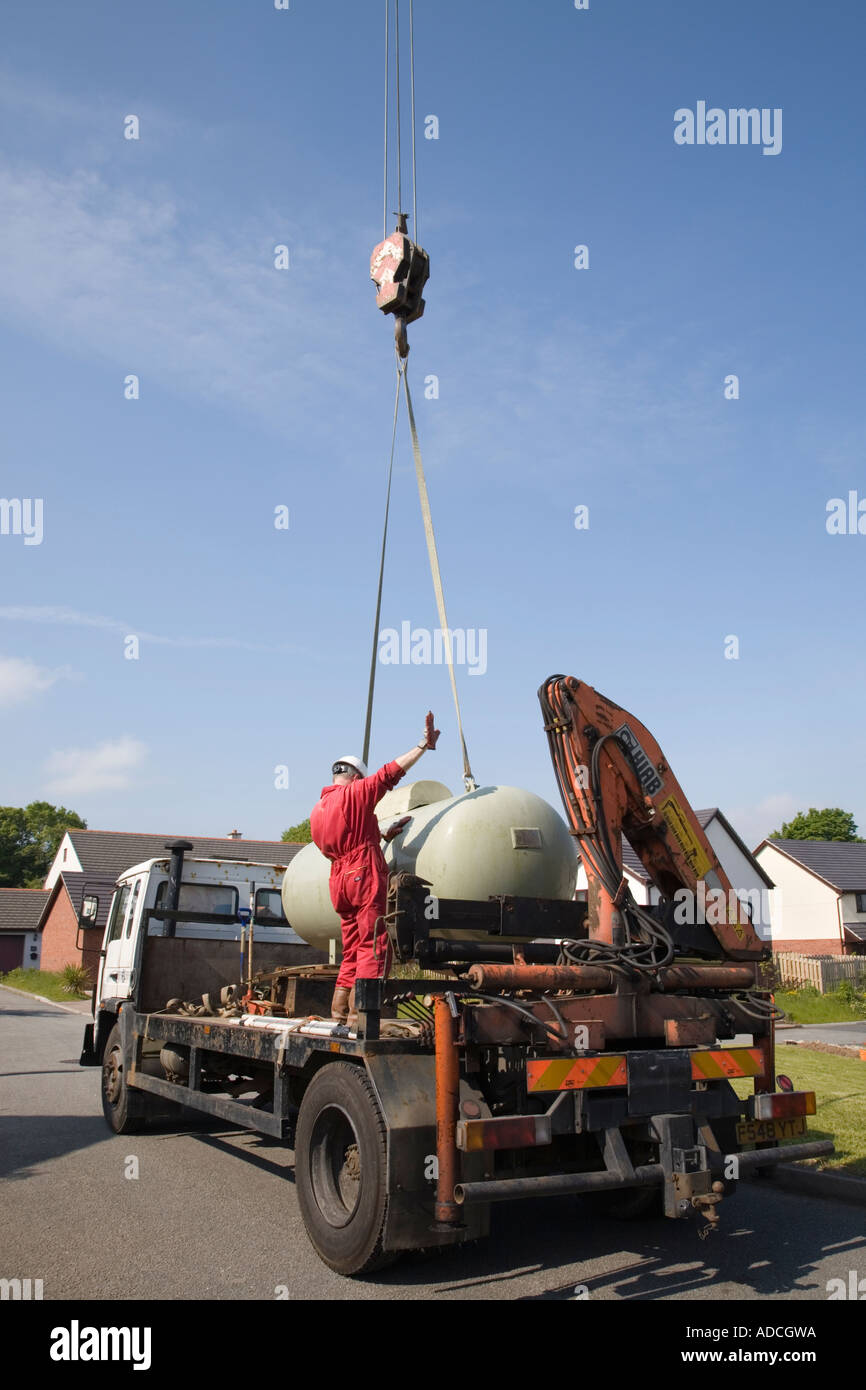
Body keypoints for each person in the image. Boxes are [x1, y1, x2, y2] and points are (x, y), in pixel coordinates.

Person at [310, 711, 440, 1023]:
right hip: (362, 874)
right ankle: (361, 1013)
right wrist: (423, 745)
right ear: (356, 777)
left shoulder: (318, 810)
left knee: (352, 946)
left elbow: (344, 839)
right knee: (375, 942)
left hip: (338, 881)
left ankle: (340, 1009)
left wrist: (382, 834)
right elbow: (389, 773)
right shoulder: (356, 792)